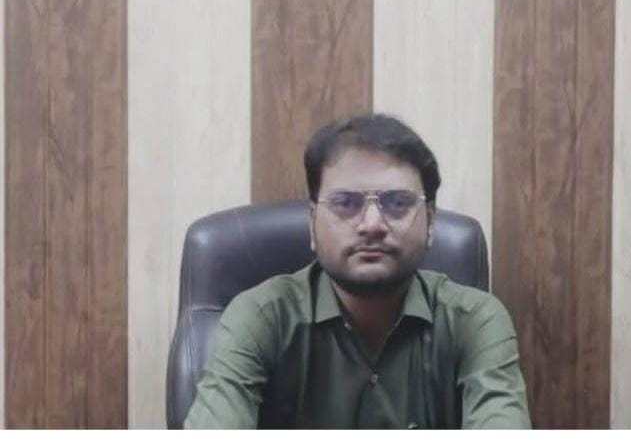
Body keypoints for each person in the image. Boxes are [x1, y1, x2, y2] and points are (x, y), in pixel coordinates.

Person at [184, 114, 531, 429]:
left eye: (397, 203)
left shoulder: (475, 321)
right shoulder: (261, 318)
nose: (372, 224)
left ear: (430, 223)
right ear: (312, 223)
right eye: (345, 203)